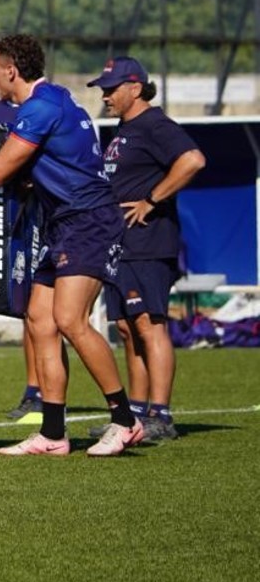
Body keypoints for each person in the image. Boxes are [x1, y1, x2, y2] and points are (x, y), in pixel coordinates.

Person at [0, 34, 141, 457]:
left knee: (69, 320)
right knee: (39, 320)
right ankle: (53, 433)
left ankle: (124, 420)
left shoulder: (41, 107)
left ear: (11, 70)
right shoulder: (50, 102)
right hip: (64, 222)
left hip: (89, 220)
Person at [87, 56, 206, 442]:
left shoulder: (154, 124)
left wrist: (151, 200)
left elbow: (192, 160)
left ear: (135, 88)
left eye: (111, 88)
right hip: (121, 243)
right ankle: (133, 416)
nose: (105, 95)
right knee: (126, 326)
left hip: (148, 242)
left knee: (149, 324)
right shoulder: (125, 128)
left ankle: (161, 415)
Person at [0, 86, 57, 422]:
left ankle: (136, 409)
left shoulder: (45, 107)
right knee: (30, 310)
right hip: (9, 216)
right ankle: (35, 393)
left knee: (57, 317)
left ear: (11, 71)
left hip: (45, 216)